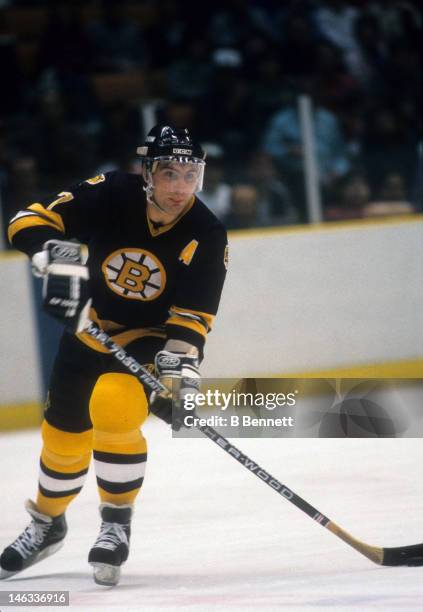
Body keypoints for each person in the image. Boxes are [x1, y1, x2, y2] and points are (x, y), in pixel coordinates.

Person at [0, 125, 228, 586]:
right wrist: (55, 255)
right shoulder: (110, 193)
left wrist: (177, 377)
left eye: (190, 175)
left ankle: (116, 522)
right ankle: (47, 524)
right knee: (61, 437)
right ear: (147, 173)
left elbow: (191, 322)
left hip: (147, 339)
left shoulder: (207, 233)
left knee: (115, 407)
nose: (180, 188)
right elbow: (27, 220)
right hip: (89, 330)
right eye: (169, 174)